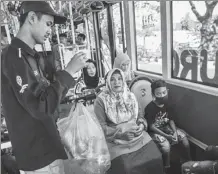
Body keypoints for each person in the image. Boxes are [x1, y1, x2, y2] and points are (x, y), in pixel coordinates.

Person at [1, 1, 87, 173]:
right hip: (37, 154)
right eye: (48, 24)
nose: (51, 30)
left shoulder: (32, 56)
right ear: (32, 18)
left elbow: (45, 96)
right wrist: (68, 71)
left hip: (47, 145)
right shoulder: (14, 57)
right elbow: (40, 107)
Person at [94, 68, 164, 174]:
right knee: (126, 168)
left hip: (137, 136)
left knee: (156, 157)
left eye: (119, 79)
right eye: (112, 79)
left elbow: (140, 115)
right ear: (108, 82)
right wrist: (121, 134)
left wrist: (141, 125)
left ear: (123, 80)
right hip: (115, 140)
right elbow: (100, 128)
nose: (117, 82)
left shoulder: (130, 96)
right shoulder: (100, 101)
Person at [144, 79, 191, 170]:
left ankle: (188, 161)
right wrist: (166, 136)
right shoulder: (149, 108)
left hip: (167, 127)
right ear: (153, 94)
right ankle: (167, 167)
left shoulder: (168, 104)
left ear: (167, 91)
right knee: (166, 147)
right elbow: (151, 126)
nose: (162, 95)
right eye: (159, 94)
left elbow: (171, 120)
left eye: (164, 92)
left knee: (184, 140)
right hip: (154, 131)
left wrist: (174, 132)